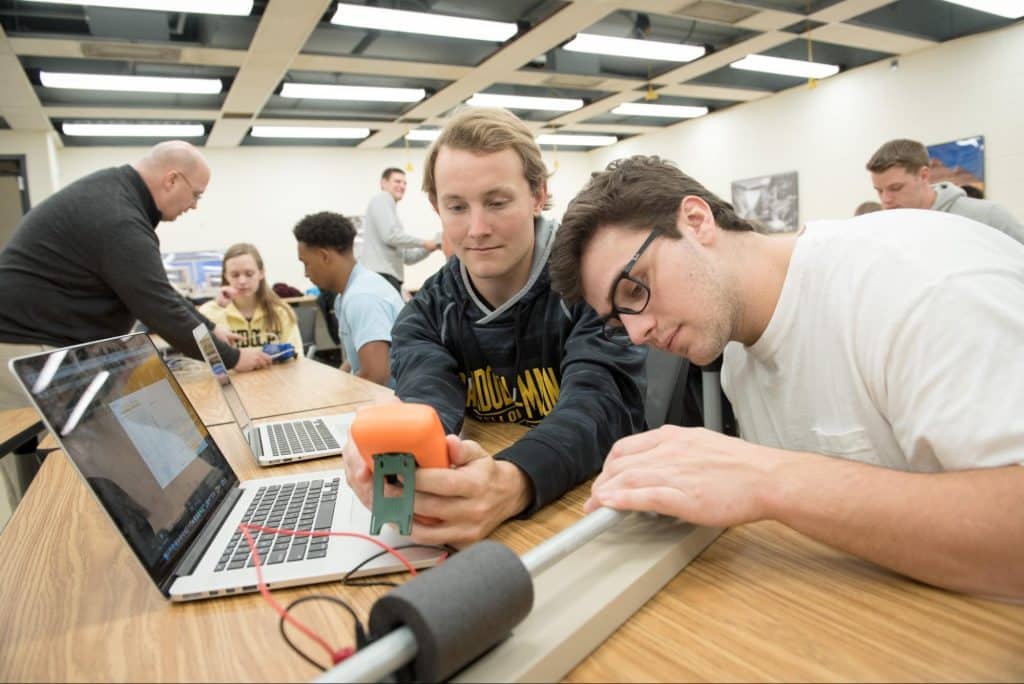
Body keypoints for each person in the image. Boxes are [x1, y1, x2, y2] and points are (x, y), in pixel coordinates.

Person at [547, 154, 1024, 601]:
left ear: (696, 220)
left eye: (634, 289)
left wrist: (767, 479)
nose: (637, 333)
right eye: (617, 322)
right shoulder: (738, 354)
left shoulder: (919, 286)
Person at [343, 108, 648, 546]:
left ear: (538, 195)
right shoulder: (427, 312)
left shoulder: (595, 285)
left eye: (497, 202)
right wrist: (399, 452)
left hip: (601, 516)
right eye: (457, 207)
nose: (477, 229)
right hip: (500, 525)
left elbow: (599, 405)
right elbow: (427, 394)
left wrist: (512, 481)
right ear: (436, 207)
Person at [0, 141, 271, 411]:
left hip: (44, 342)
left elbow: (160, 292)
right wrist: (234, 358)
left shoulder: (116, 195)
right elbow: (160, 308)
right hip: (26, 345)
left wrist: (210, 329)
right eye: (196, 195)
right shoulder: (120, 217)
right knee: (47, 435)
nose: (194, 206)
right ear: (172, 180)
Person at [293, 211, 403, 387]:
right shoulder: (348, 294)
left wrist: (336, 397)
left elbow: (376, 375)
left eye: (306, 263)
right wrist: (336, 382)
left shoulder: (362, 297)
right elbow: (357, 358)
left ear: (324, 256)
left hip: (396, 400)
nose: (306, 273)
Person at [866, 138, 1024, 244]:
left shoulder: (987, 216)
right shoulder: (888, 228)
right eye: (879, 191)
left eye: (896, 188)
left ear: (924, 175)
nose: (886, 199)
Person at [199, 243, 302, 350]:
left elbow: (297, 355)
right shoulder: (208, 312)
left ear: (261, 273)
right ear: (226, 276)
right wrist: (218, 308)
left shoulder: (281, 312)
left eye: (249, 274)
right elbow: (204, 355)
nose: (242, 281)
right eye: (235, 275)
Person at [359, 167, 439, 292]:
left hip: (389, 277)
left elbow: (408, 257)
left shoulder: (391, 215)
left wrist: (432, 246)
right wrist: (424, 243)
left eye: (404, 183)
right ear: (383, 183)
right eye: (397, 181)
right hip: (380, 276)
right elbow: (390, 236)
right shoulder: (382, 198)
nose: (402, 186)